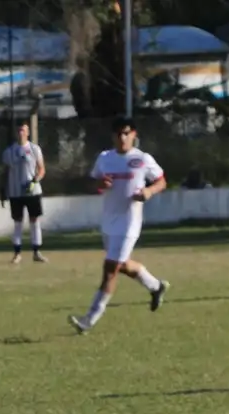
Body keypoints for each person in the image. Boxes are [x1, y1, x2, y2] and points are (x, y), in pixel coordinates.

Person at [68, 117, 170, 334]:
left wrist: (149, 191)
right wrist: (98, 184)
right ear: (113, 136)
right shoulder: (105, 158)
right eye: (118, 134)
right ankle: (156, 286)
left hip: (130, 223)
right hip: (109, 221)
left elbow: (161, 181)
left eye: (127, 133)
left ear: (134, 135)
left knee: (110, 270)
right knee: (120, 264)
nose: (122, 138)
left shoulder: (142, 159)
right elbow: (91, 182)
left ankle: (89, 320)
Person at [1, 121, 47, 263]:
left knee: (34, 220)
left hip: (32, 192)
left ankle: (36, 251)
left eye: (24, 130)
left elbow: (41, 169)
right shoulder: (9, 152)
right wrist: (3, 191)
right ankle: (17, 253)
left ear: (28, 132)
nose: (21, 133)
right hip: (15, 193)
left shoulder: (34, 149)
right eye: (19, 130)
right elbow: (5, 172)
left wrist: (34, 181)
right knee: (18, 222)